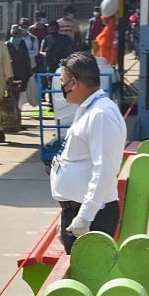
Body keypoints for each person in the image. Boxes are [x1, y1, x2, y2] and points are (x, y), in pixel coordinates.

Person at [50, 52, 126, 254]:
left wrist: (85, 216)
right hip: (77, 211)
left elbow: (105, 169)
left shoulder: (101, 114)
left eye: (63, 82)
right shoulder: (88, 109)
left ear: (73, 83)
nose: (62, 88)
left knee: (85, 279)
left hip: (92, 216)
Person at [6, 25, 33, 107]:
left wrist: (29, 72)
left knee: (20, 95)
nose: (17, 35)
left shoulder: (22, 44)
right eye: (15, 33)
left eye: (19, 33)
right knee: (10, 95)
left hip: (22, 74)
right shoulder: (6, 45)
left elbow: (27, 58)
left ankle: (18, 110)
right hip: (10, 74)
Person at [21, 18, 42, 107]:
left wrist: (24, 54)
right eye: (22, 26)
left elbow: (36, 51)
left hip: (30, 66)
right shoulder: (15, 38)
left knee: (30, 85)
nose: (24, 28)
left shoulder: (33, 39)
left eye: (26, 26)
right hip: (19, 66)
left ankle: (32, 101)